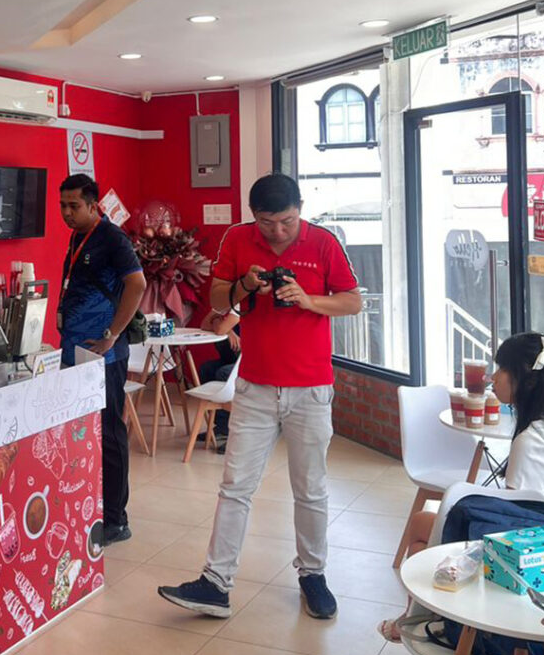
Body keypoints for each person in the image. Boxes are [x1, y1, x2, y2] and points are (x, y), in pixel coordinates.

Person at [158, 173, 362, 620]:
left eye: (287, 221)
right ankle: (216, 583)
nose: (278, 232)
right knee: (235, 487)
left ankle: (313, 574)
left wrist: (308, 300)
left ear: (300, 208)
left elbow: (352, 301)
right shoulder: (237, 239)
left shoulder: (323, 242)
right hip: (254, 386)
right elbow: (218, 300)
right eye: (267, 223)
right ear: (253, 215)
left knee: (310, 488)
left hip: (310, 387)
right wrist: (245, 286)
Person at [382, 332, 544, 655]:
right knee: (425, 525)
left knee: (422, 530)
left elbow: (511, 523)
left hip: (523, 563)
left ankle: (431, 649)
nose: (493, 377)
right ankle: (423, 640)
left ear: (524, 378)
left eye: (500, 369)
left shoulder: (531, 441)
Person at [58, 174, 146, 546]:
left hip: (104, 355)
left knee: (109, 434)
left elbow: (137, 284)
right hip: (76, 351)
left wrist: (112, 334)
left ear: (94, 206)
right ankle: (91, 504)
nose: (67, 213)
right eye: (63, 205)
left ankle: (116, 519)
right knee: (84, 433)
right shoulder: (78, 236)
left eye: (74, 206)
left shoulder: (112, 238)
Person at [196, 309, 240, 454]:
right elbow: (205, 324)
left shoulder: (240, 304)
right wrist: (228, 331)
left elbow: (220, 329)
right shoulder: (224, 305)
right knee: (207, 369)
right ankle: (221, 427)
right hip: (231, 359)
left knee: (224, 373)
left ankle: (232, 430)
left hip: (249, 363)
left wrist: (223, 326)